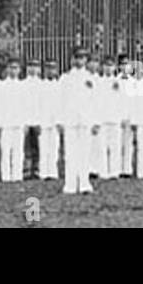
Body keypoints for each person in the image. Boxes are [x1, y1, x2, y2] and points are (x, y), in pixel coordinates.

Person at [60, 47, 94, 194]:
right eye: (78, 57)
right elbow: (60, 101)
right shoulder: (66, 78)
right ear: (72, 59)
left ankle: (85, 183)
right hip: (70, 119)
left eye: (83, 57)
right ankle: (70, 184)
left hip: (85, 119)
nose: (80, 60)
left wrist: (95, 121)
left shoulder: (91, 78)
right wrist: (60, 121)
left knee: (85, 153)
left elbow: (95, 101)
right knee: (70, 153)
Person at [0, 55, 28, 182]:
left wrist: (25, 123)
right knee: (6, 151)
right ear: (7, 69)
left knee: (18, 151)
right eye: (11, 68)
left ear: (20, 70)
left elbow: (26, 106)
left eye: (16, 68)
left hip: (18, 123)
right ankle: (6, 176)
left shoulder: (23, 87)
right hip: (6, 123)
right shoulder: (1, 87)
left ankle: (17, 175)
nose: (14, 71)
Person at [96, 56, 125, 180]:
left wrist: (123, 117)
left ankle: (114, 171)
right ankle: (103, 171)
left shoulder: (119, 81)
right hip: (102, 118)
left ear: (114, 67)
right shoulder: (98, 82)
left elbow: (123, 101)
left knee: (115, 146)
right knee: (102, 146)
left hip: (115, 118)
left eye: (111, 65)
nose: (108, 68)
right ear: (102, 67)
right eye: (106, 65)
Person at [40, 58, 62, 180]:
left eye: (53, 68)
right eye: (48, 68)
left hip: (55, 122)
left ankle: (53, 172)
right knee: (44, 147)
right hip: (43, 121)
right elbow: (37, 105)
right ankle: (44, 172)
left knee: (54, 148)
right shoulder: (41, 85)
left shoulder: (59, 86)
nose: (51, 70)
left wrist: (60, 121)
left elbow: (62, 105)